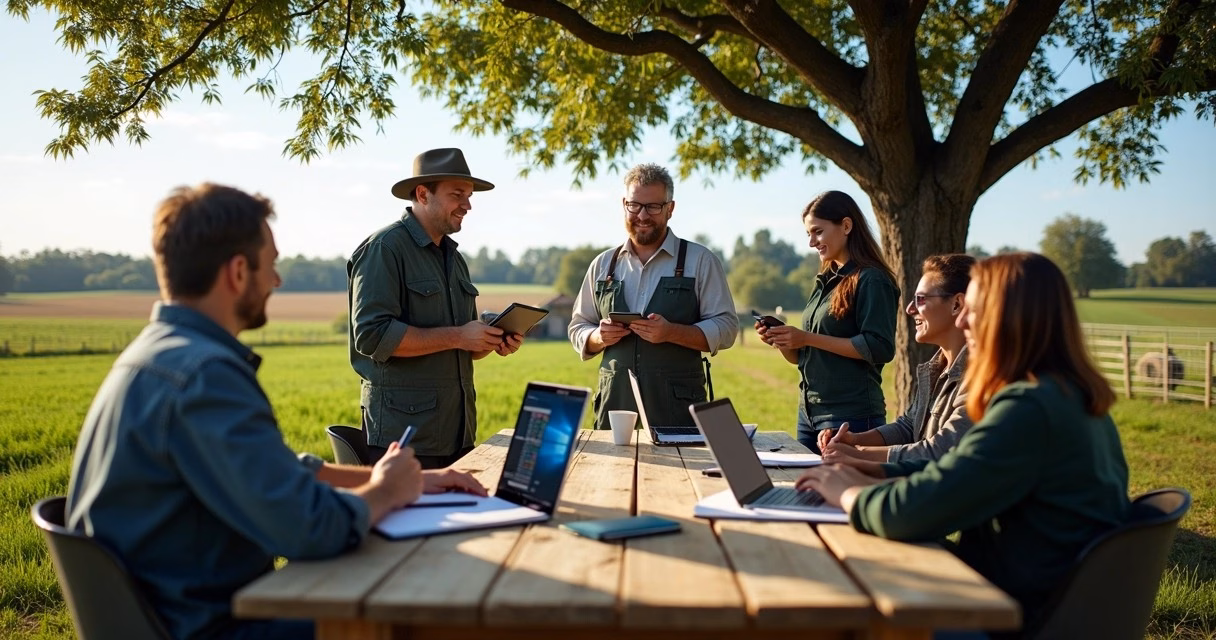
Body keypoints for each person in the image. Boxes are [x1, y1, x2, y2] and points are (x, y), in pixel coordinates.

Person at [66, 183, 486, 640]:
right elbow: (312, 530)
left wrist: (401, 481)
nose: (277, 281)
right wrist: (385, 493)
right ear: (238, 272)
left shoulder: (153, 357)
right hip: (217, 626)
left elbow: (280, 472)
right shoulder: (206, 377)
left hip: (178, 616)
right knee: (427, 612)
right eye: (272, 265)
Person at [796, 252, 1130, 636]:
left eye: (974, 309)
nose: (963, 320)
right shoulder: (1070, 396)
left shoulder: (1029, 409)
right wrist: (874, 467)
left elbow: (912, 512)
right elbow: (956, 473)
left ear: (1009, 317)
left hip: (1009, 616)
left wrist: (846, 492)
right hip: (1037, 602)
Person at [348, 148, 522, 468]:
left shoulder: (455, 260)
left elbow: (463, 346)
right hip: (403, 443)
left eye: (469, 196)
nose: (467, 205)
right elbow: (372, 336)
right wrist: (459, 336)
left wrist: (491, 339)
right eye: (457, 194)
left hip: (458, 435)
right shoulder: (384, 249)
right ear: (423, 194)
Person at [568, 163, 738, 430]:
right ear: (624, 204)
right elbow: (578, 326)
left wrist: (671, 332)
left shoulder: (701, 260)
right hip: (615, 407)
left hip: (678, 411)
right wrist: (598, 337)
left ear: (670, 209)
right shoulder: (602, 264)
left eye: (653, 207)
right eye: (635, 205)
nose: (642, 215)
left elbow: (727, 328)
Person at [757, 190, 899, 452]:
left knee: (843, 492)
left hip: (851, 418)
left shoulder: (872, 280)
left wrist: (807, 337)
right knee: (807, 490)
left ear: (846, 226)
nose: (812, 242)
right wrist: (785, 341)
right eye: (808, 234)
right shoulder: (824, 281)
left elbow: (880, 347)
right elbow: (803, 357)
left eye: (817, 232)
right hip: (810, 416)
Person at [818, 253, 975, 463]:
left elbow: (940, 451)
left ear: (957, 304)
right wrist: (853, 440)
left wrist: (858, 454)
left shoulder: (979, 375)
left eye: (920, 299)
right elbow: (909, 426)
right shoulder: (937, 368)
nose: (910, 309)